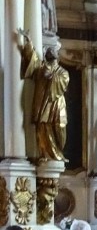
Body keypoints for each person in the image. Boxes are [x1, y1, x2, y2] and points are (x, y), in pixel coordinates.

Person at [18, 30, 69, 162]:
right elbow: (32, 60)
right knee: (43, 126)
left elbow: (63, 81)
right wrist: (29, 42)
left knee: (60, 126)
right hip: (42, 104)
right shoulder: (41, 68)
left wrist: (51, 78)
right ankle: (45, 153)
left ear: (57, 56)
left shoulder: (63, 72)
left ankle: (58, 152)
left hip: (56, 104)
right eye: (49, 52)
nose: (51, 54)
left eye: (53, 52)